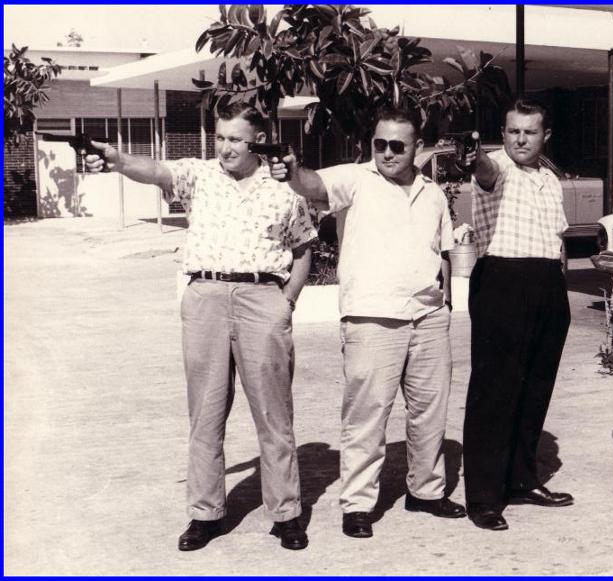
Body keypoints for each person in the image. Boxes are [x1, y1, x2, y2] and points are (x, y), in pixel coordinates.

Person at [85, 103, 317, 550]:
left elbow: (305, 246)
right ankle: (204, 514)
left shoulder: (284, 188)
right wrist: (115, 159)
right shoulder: (199, 175)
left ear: (257, 141)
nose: (225, 147)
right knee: (205, 413)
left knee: (274, 414)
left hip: (261, 299)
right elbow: (151, 169)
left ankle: (286, 513)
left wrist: (285, 301)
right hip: (205, 297)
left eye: (235, 139)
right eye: (221, 137)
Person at [272, 106, 466, 539]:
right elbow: (312, 184)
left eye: (398, 145)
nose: (388, 152)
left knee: (430, 413)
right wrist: (291, 170)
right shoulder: (356, 179)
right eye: (380, 144)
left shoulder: (432, 192)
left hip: (429, 316)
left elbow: (445, 251)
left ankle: (427, 491)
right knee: (366, 417)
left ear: (417, 147)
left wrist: (446, 304)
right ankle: (358, 504)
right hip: (371, 319)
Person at [461, 99, 573, 531]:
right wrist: (474, 157)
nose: (520, 139)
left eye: (529, 132)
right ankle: (485, 498)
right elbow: (484, 170)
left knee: (535, 387)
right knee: (494, 392)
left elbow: (557, 239)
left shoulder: (550, 179)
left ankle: (524, 479)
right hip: (502, 281)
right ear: (502, 134)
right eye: (512, 131)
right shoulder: (497, 169)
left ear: (545, 136)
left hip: (547, 282)